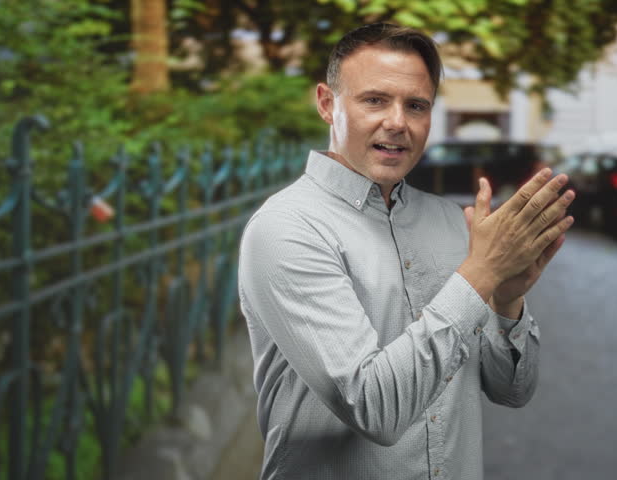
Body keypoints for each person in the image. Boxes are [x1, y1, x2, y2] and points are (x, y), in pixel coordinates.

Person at [238, 23, 575, 480]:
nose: (397, 122)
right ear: (326, 103)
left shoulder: (450, 222)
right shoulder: (287, 228)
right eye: (374, 100)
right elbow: (373, 408)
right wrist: (481, 273)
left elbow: (511, 390)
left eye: (416, 105)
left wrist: (506, 299)